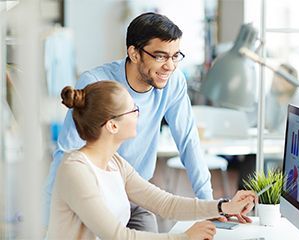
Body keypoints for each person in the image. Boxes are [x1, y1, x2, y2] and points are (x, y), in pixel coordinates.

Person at [44, 12, 214, 230]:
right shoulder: (97, 83)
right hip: (96, 193)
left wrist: (211, 206)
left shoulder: (173, 81)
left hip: (139, 193)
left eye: (175, 56)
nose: (170, 66)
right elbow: (66, 153)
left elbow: (188, 140)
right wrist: (48, 216)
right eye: (160, 56)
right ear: (134, 53)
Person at [47, 81, 257, 239]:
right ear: (112, 125)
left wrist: (224, 207)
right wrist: (184, 237)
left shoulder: (114, 163)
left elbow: (165, 203)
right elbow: (118, 236)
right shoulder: (75, 170)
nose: (139, 114)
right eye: (133, 110)